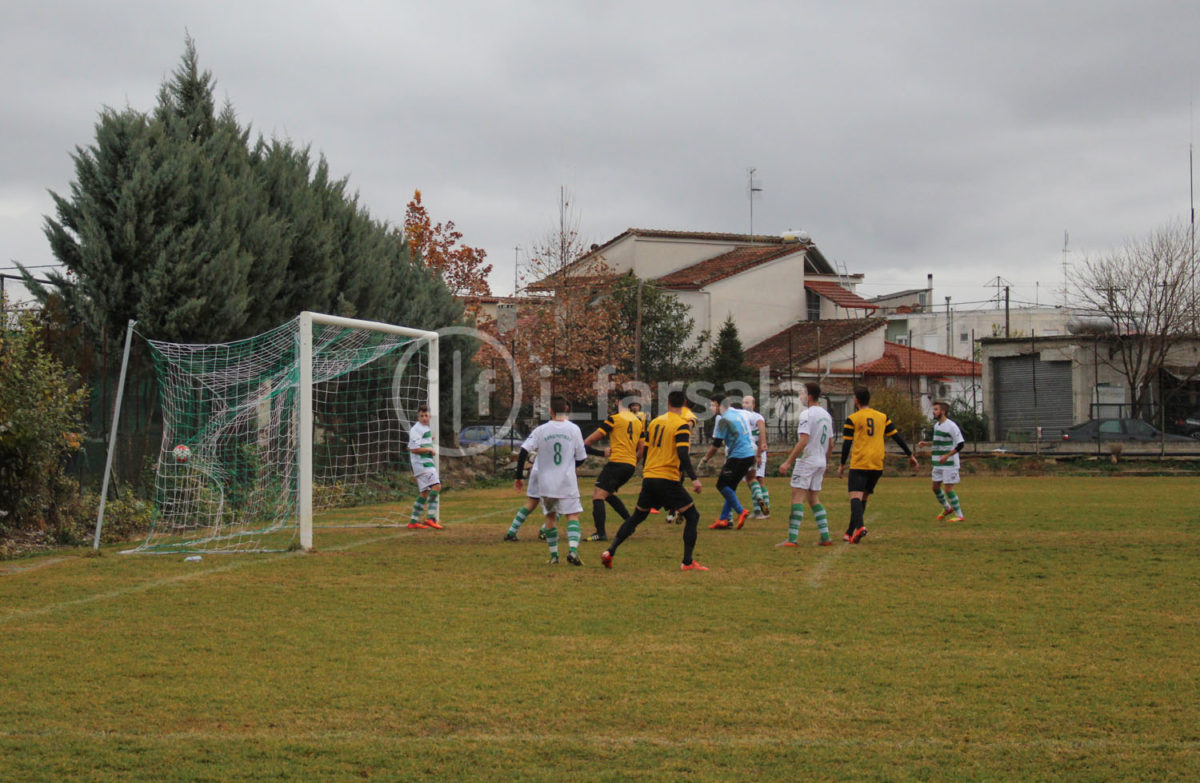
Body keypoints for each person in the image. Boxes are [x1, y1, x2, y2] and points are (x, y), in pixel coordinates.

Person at [600, 390, 708, 571]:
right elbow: (682, 453)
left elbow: (647, 450)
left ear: (667, 403)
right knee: (693, 516)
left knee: (637, 517)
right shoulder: (681, 425)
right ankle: (687, 562)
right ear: (683, 406)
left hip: (650, 477)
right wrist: (694, 478)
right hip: (667, 478)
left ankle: (610, 551)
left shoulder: (655, 423)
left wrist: (645, 469)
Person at [837, 387, 919, 543]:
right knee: (863, 498)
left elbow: (847, 443)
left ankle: (860, 527)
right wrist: (910, 455)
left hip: (860, 462)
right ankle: (849, 532)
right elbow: (897, 437)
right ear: (869, 399)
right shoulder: (882, 417)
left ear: (856, 400)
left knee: (855, 497)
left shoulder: (853, 418)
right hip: (877, 463)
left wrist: (842, 464)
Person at [515, 396, 587, 565]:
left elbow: (523, 451)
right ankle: (573, 551)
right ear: (566, 410)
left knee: (550, 517)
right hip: (567, 482)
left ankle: (554, 556)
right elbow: (582, 457)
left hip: (547, 483)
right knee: (573, 515)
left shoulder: (541, 430)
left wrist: (519, 476)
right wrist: (570, 466)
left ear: (550, 411)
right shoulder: (574, 429)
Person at [776, 382, 834, 546]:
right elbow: (831, 444)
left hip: (808, 460)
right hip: (820, 460)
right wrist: (826, 462)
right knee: (813, 498)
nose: (799, 396)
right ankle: (825, 537)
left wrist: (788, 462)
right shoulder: (826, 415)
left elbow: (803, 441)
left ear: (809, 396)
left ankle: (792, 539)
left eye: (801, 393)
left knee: (797, 497)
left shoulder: (806, 415)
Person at [582, 399, 644, 541]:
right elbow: (642, 449)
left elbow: (588, 441)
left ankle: (600, 533)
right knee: (607, 494)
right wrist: (633, 462)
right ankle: (630, 522)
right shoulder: (638, 422)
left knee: (598, 496)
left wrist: (600, 452)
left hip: (616, 463)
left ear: (619, 402)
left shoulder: (614, 419)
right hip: (629, 465)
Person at [697, 396, 757, 530]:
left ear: (719, 405)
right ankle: (724, 519)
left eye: (713, 405)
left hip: (738, 456)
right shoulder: (736, 413)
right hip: (748, 455)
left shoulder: (724, 420)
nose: (711, 408)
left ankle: (741, 511)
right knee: (731, 487)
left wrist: (705, 459)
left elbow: (716, 445)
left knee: (721, 485)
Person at [917, 400, 967, 523]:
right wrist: (927, 443)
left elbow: (961, 444)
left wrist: (947, 456)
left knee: (948, 489)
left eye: (936, 409)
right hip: (938, 463)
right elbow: (939, 441)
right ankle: (947, 508)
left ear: (943, 412)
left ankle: (959, 515)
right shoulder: (937, 425)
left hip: (949, 463)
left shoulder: (951, 426)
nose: (933, 412)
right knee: (935, 487)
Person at [407, 404, 443, 530]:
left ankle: (413, 521)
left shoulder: (424, 428)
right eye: (421, 416)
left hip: (422, 464)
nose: (424, 418)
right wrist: (429, 449)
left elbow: (413, 444)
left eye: (426, 415)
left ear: (430, 416)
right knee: (437, 486)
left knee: (425, 492)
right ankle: (430, 518)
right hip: (423, 464)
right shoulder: (416, 429)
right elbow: (413, 448)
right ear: (418, 416)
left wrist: (429, 441)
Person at [503, 458, 548, 542]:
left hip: (536, 470)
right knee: (561, 503)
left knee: (532, 502)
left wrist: (519, 475)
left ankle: (511, 532)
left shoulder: (539, 443)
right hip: (551, 473)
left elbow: (524, 450)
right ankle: (545, 530)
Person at [742, 394, 771, 518]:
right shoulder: (742, 417)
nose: (745, 405)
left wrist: (760, 453)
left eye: (748, 402)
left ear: (754, 405)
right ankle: (759, 509)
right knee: (753, 480)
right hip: (748, 451)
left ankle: (763, 509)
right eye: (743, 402)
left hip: (755, 451)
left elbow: (761, 432)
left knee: (757, 480)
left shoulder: (757, 417)